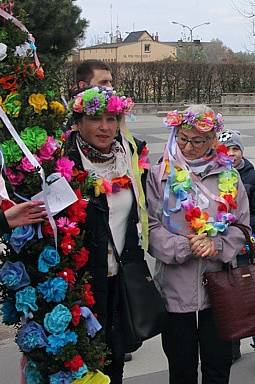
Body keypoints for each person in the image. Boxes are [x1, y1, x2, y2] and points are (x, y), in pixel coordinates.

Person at [145, 105, 250, 384]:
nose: (188, 147)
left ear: (213, 140)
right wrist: (185, 247)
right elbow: (150, 229)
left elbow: (242, 226)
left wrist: (217, 245)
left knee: (218, 366)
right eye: (182, 138)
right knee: (181, 369)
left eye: (197, 140)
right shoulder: (160, 175)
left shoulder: (230, 177)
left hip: (220, 287)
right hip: (175, 287)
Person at [62, 86, 147, 383]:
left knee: (113, 365)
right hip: (79, 284)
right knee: (77, 366)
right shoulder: (64, 164)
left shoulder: (130, 158)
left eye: (112, 118)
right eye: (96, 118)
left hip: (119, 283)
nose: (105, 127)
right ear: (78, 121)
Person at [217, 129, 255, 374]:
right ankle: (232, 343)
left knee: (251, 297)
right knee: (225, 297)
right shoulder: (213, 175)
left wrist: (243, 234)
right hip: (220, 249)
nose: (231, 154)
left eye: (235, 149)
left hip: (244, 245)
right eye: (226, 150)